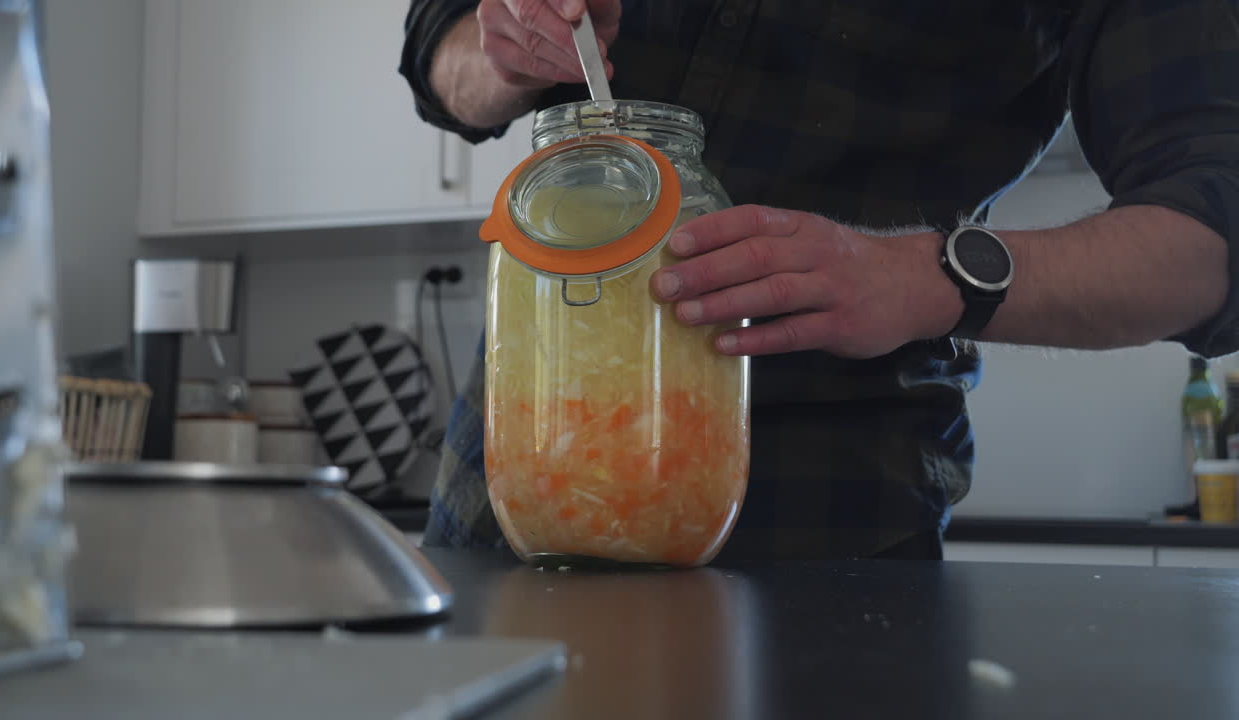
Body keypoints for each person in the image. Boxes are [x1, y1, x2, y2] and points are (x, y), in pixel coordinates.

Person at [399, 0, 1239, 560]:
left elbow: (1213, 230)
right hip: (511, 493)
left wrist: (920, 274)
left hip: (835, 519)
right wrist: (504, 47)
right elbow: (442, 51)